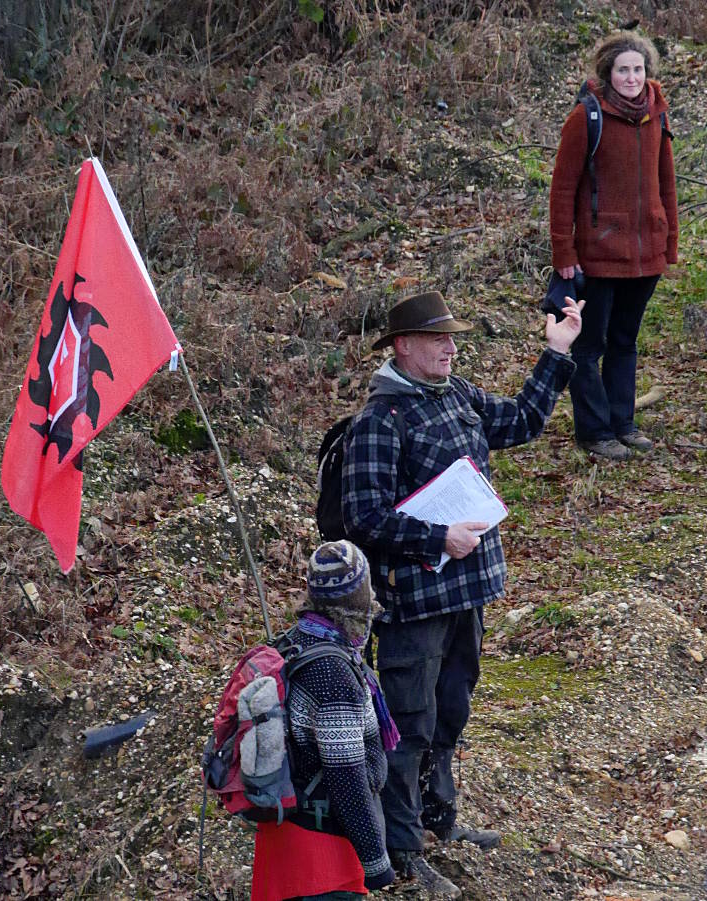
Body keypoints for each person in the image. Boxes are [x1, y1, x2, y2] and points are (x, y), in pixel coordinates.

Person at [341, 290, 583, 895]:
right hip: (413, 604)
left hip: (468, 595)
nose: (452, 346)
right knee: (406, 723)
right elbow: (361, 517)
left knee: (452, 711)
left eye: (453, 336)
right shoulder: (379, 419)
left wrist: (555, 353)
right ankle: (400, 848)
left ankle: (438, 818)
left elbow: (521, 421)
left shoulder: (457, 394)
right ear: (403, 347)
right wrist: (435, 537)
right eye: (438, 337)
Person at [549, 30, 678, 461]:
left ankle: (623, 423)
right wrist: (564, 252)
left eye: (638, 69)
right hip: (598, 254)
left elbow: (667, 185)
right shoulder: (586, 117)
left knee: (625, 340)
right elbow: (562, 189)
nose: (631, 78)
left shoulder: (656, 115)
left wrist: (670, 242)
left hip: (646, 255)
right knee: (589, 347)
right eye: (623, 69)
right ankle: (594, 431)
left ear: (648, 72)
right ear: (608, 72)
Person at [251, 540, 397, 901]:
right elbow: (346, 778)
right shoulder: (333, 675)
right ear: (359, 599)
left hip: (282, 843)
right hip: (322, 855)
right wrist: (377, 862)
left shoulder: (295, 641)